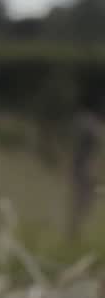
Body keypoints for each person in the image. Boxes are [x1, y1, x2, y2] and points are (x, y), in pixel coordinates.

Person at [67, 104, 102, 243]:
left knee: (83, 203)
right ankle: (74, 232)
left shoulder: (89, 124)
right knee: (82, 203)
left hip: (85, 170)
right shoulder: (92, 126)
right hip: (85, 170)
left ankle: (75, 232)